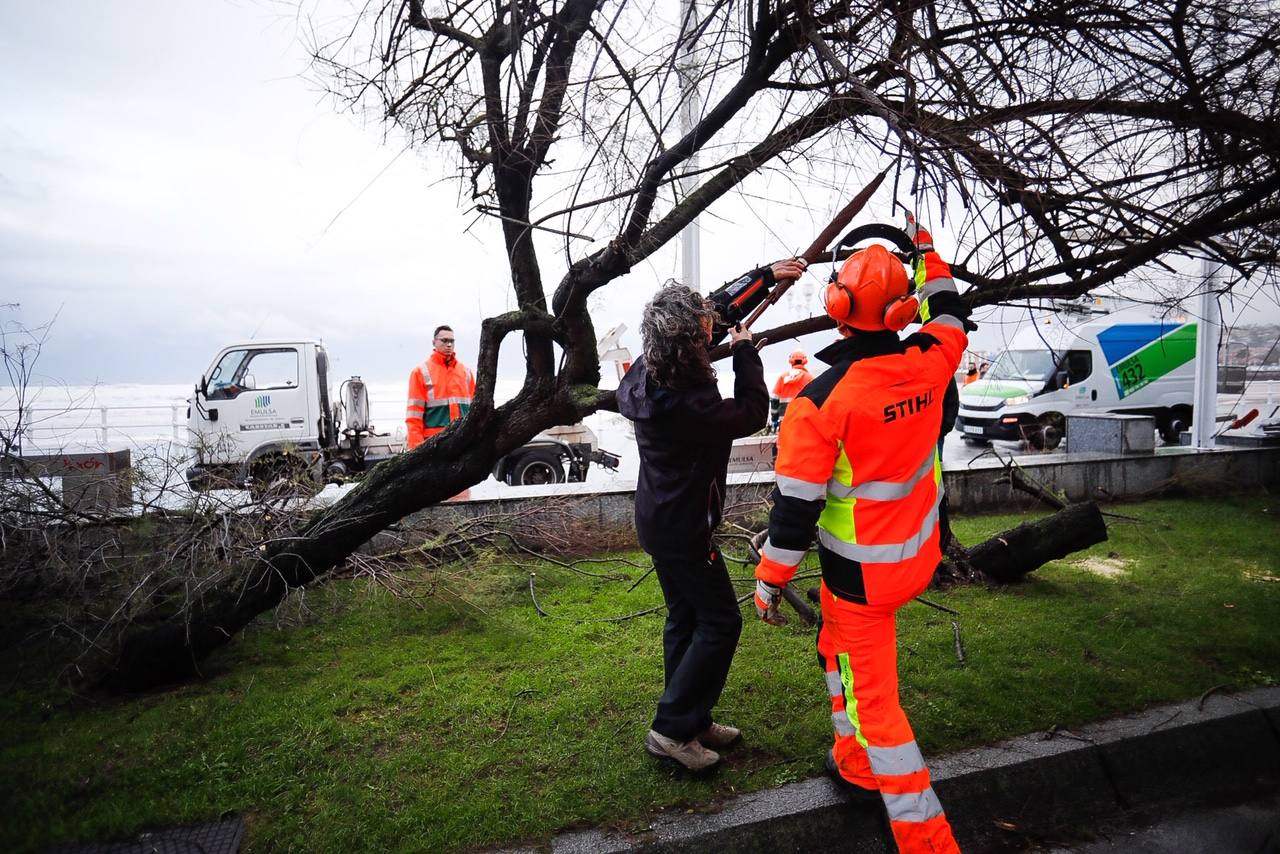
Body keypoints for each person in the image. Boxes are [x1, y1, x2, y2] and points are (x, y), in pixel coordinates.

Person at [752, 218, 972, 853]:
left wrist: (770, 579)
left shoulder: (820, 403)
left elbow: (793, 514)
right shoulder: (934, 361)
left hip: (860, 582)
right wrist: (927, 251)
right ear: (903, 308)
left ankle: (929, 840)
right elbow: (949, 308)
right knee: (835, 651)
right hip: (916, 559)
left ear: (835, 306)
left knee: (878, 706)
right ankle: (853, 762)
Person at [617, 259, 805, 772]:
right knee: (721, 620)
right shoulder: (687, 405)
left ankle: (691, 717)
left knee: (686, 617)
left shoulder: (648, 366)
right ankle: (672, 730)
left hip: (658, 520)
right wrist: (746, 354)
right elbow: (748, 413)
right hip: (682, 528)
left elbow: (712, 309)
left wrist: (765, 276)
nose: (710, 326)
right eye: (703, 331)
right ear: (689, 344)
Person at [405, 325, 476, 498]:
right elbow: (413, 418)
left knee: (461, 497)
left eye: (451, 341)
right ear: (434, 342)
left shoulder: (466, 373)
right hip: (433, 449)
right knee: (434, 499)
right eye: (444, 340)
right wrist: (417, 453)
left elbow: (476, 413)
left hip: (461, 448)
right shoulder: (420, 373)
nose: (449, 344)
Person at [770, 350, 815, 431]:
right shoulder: (809, 378)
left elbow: (774, 400)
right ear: (805, 361)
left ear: (791, 361)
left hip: (785, 421)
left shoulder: (782, 377)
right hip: (804, 421)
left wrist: (774, 419)